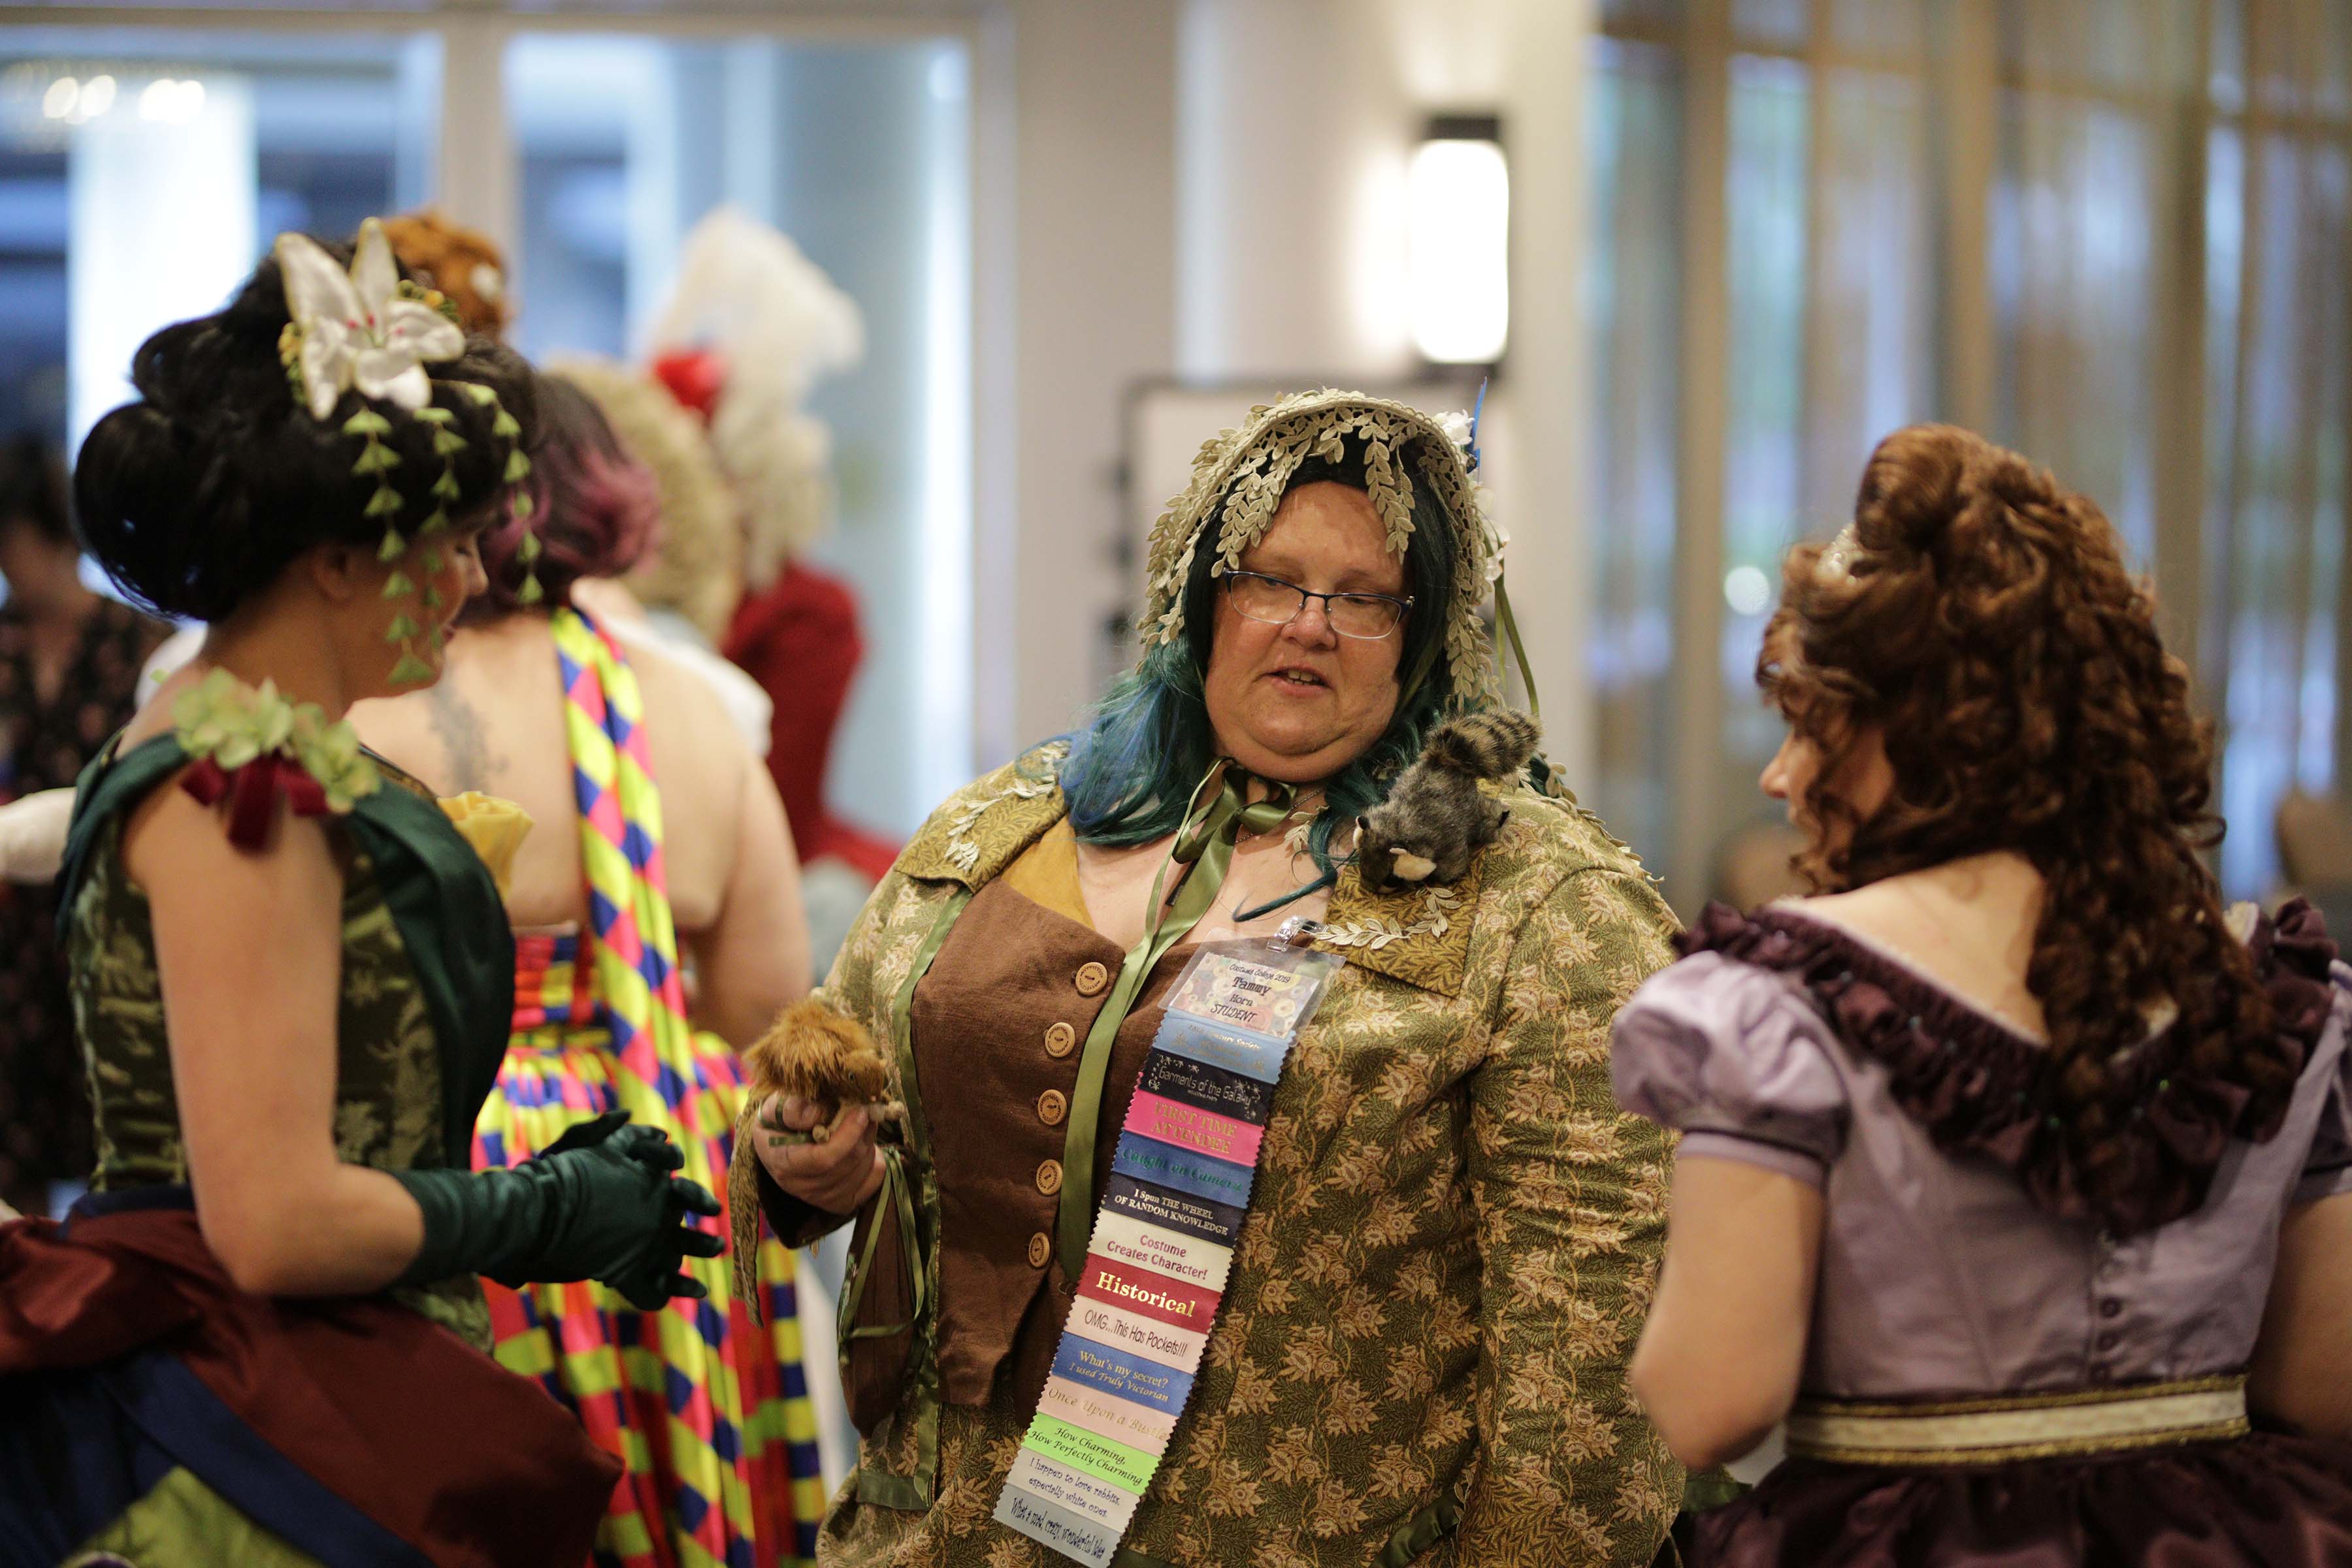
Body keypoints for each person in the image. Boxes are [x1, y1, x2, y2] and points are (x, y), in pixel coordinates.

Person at [744, 389, 1687, 1566]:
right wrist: (799, 1160)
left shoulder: (1541, 906)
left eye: (1362, 600)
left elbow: (1593, 1372)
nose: (1307, 626)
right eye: (1267, 580)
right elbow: (819, 1097)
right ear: (1200, 596)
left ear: (1428, 627)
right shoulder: (1000, 830)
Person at [0, 221, 720, 1565]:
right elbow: (276, 1224)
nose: (468, 578)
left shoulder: (241, 750)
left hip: (300, 1366)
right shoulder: (237, 789)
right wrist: (546, 1212)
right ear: (334, 559)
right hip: (246, 1412)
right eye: (443, 543)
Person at [1612, 424, 2352, 1565]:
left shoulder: (1782, 998)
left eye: (1812, 725)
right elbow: (2322, 1378)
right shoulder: (2282, 989)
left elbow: (1713, 1397)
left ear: (1919, 732)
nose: (1780, 776)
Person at [350, 371, 825, 1567]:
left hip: (458, 1176)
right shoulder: (699, 714)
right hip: (672, 1160)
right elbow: (768, 1001)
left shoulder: (362, 707)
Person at [0, 436, 165, 1217]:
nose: (12, 571)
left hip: (101, 911)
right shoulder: (5, 643)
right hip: (8, 931)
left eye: (17, 548)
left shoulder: (142, 645)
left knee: (113, 1136)